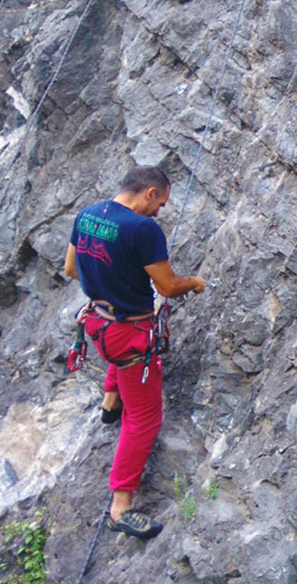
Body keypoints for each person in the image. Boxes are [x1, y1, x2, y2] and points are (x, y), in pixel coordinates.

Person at [63, 166, 206, 539]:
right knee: (144, 419)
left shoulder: (88, 215)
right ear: (150, 193)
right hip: (129, 333)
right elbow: (169, 287)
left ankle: (111, 405)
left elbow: (70, 268)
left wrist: (111, 283)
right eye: (161, 202)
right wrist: (194, 282)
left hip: (98, 320)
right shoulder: (143, 230)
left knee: (121, 366)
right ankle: (121, 506)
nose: (160, 211)